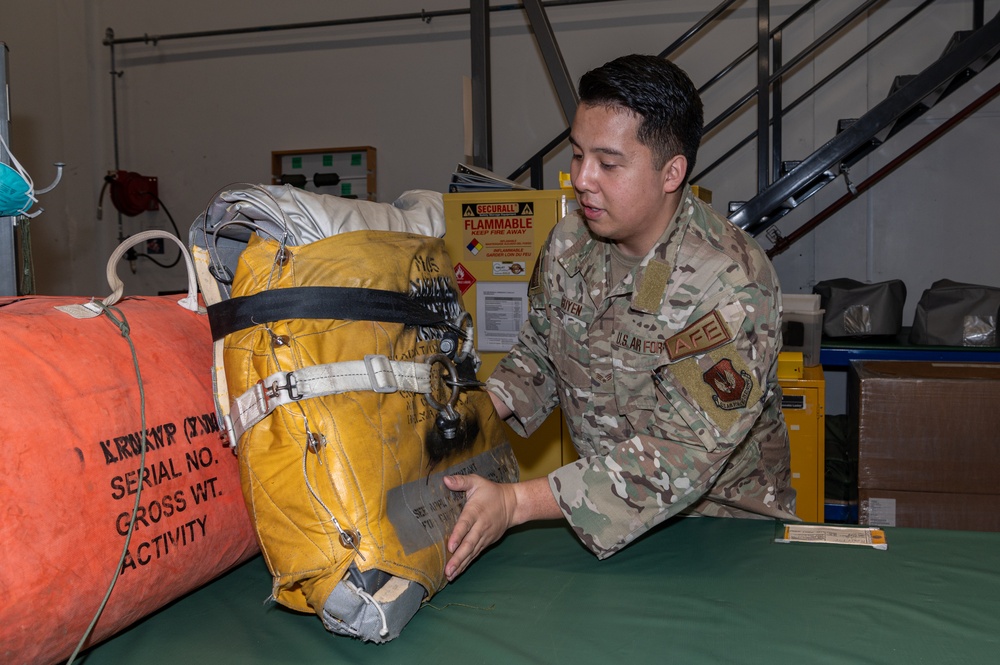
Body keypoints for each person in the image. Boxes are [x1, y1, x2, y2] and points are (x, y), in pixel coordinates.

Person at [443, 53, 797, 580]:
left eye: (608, 164)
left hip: (721, 536)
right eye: (578, 154)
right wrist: (472, 417)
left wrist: (515, 504)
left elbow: (680, 451)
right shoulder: (569, 242)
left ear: (671, 172)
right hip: (602, 523)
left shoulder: (729, 282)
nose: (582, 179)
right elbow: (540, 349)